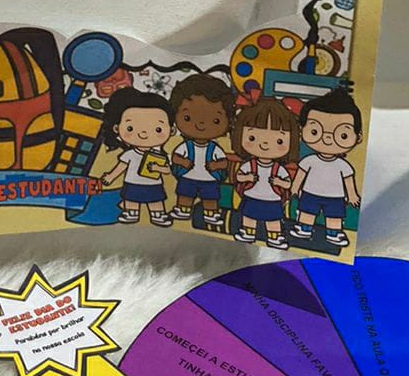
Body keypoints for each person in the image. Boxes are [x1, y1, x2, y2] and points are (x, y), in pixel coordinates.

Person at [289, 89, 362, 248]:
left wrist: (352, 195)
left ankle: (334, 233)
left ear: (358, 137)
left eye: (342, 135)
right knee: (307, 212)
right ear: (302, 131)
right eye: (315, 131)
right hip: (310, 192)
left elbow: (348, 180)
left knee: (334, 216)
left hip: (335, 196)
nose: (327, 138)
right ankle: (304, 228)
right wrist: (294, 187)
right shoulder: (309, 161)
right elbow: (301, 174)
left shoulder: (342, 165)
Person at [96, 88, 174, 227]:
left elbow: (167, 170)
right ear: (117, 128)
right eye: (130, 128)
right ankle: (131, 212)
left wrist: (157, 168)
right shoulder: (130, 154)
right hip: (132, 182)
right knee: (131, 199)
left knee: (155, 200)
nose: (143, 134)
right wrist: (110, 177)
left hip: (153, 184)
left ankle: (158, 215)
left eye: (157, 129)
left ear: (171, 130)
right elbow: (121, 167)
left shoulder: (159, 155)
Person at [231, 98, 300, 249]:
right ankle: (248, 233)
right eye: (252, 138)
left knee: (273, 220)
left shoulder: (278, 168)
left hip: (272, 198)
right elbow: (239, 176)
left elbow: (287, 183)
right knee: (249, 216)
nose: (265, 144)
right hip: (252, 196)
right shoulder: (250, 165)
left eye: (279, 141)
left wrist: (279, 182)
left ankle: (274, 237)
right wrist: (247, 177)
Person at [168, 74, 233, 231]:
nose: (201, 125)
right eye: (188, 118)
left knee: (210, 197)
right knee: (185, 194)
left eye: (215, 121)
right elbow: (175, 157)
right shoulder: (186, 146)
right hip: (188, 177)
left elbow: (224, 161)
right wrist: (183, 162)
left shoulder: (214, 148)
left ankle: (211, 213)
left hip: (209, 178)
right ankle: (183, 210)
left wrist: (216, 165)